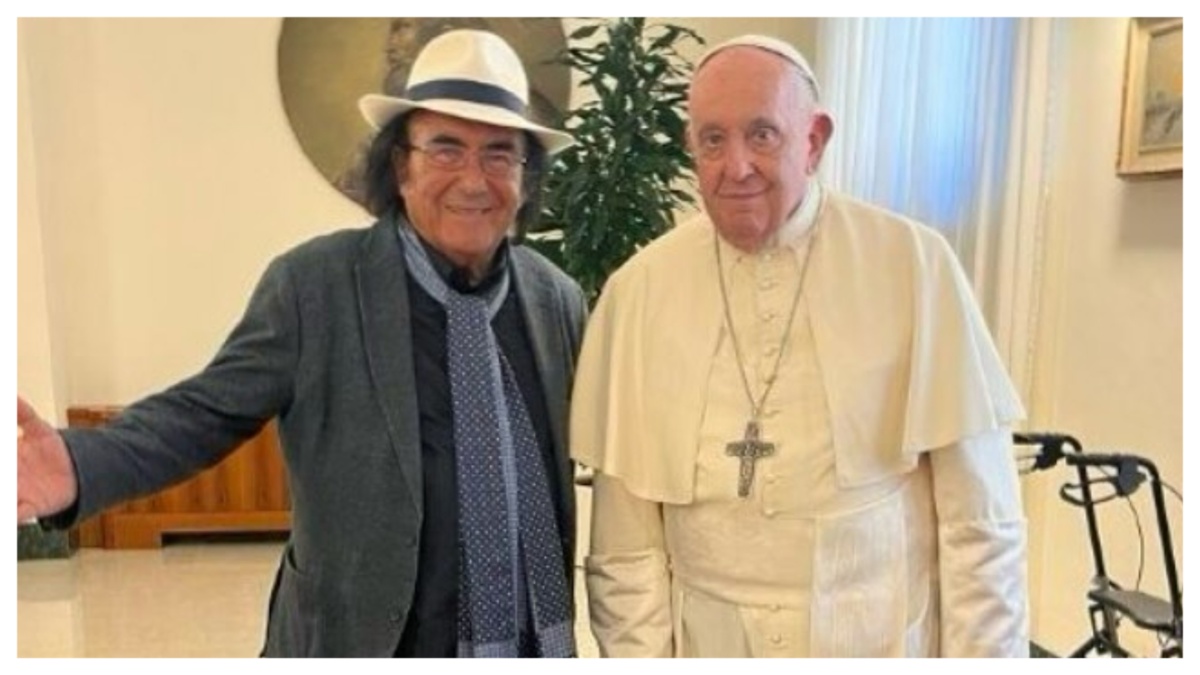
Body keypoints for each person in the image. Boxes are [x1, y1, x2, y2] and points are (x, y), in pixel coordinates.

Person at [17, 29, 587, 658]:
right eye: (446, 149)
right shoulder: (316, 286)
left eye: (500, 154)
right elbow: (205, 413)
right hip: (360, 641)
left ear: (526, 179)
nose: (474, 180)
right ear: (400, 166)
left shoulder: (555, 300)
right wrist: (78, 464)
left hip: (530, 643)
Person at [571, 35, 1029, 658]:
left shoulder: (913, 265)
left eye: (762, 135)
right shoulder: (639, 290)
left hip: (876, 640)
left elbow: (980, 525)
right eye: (713, 140)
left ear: (814, 140)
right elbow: (627, 552)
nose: (736, 167)